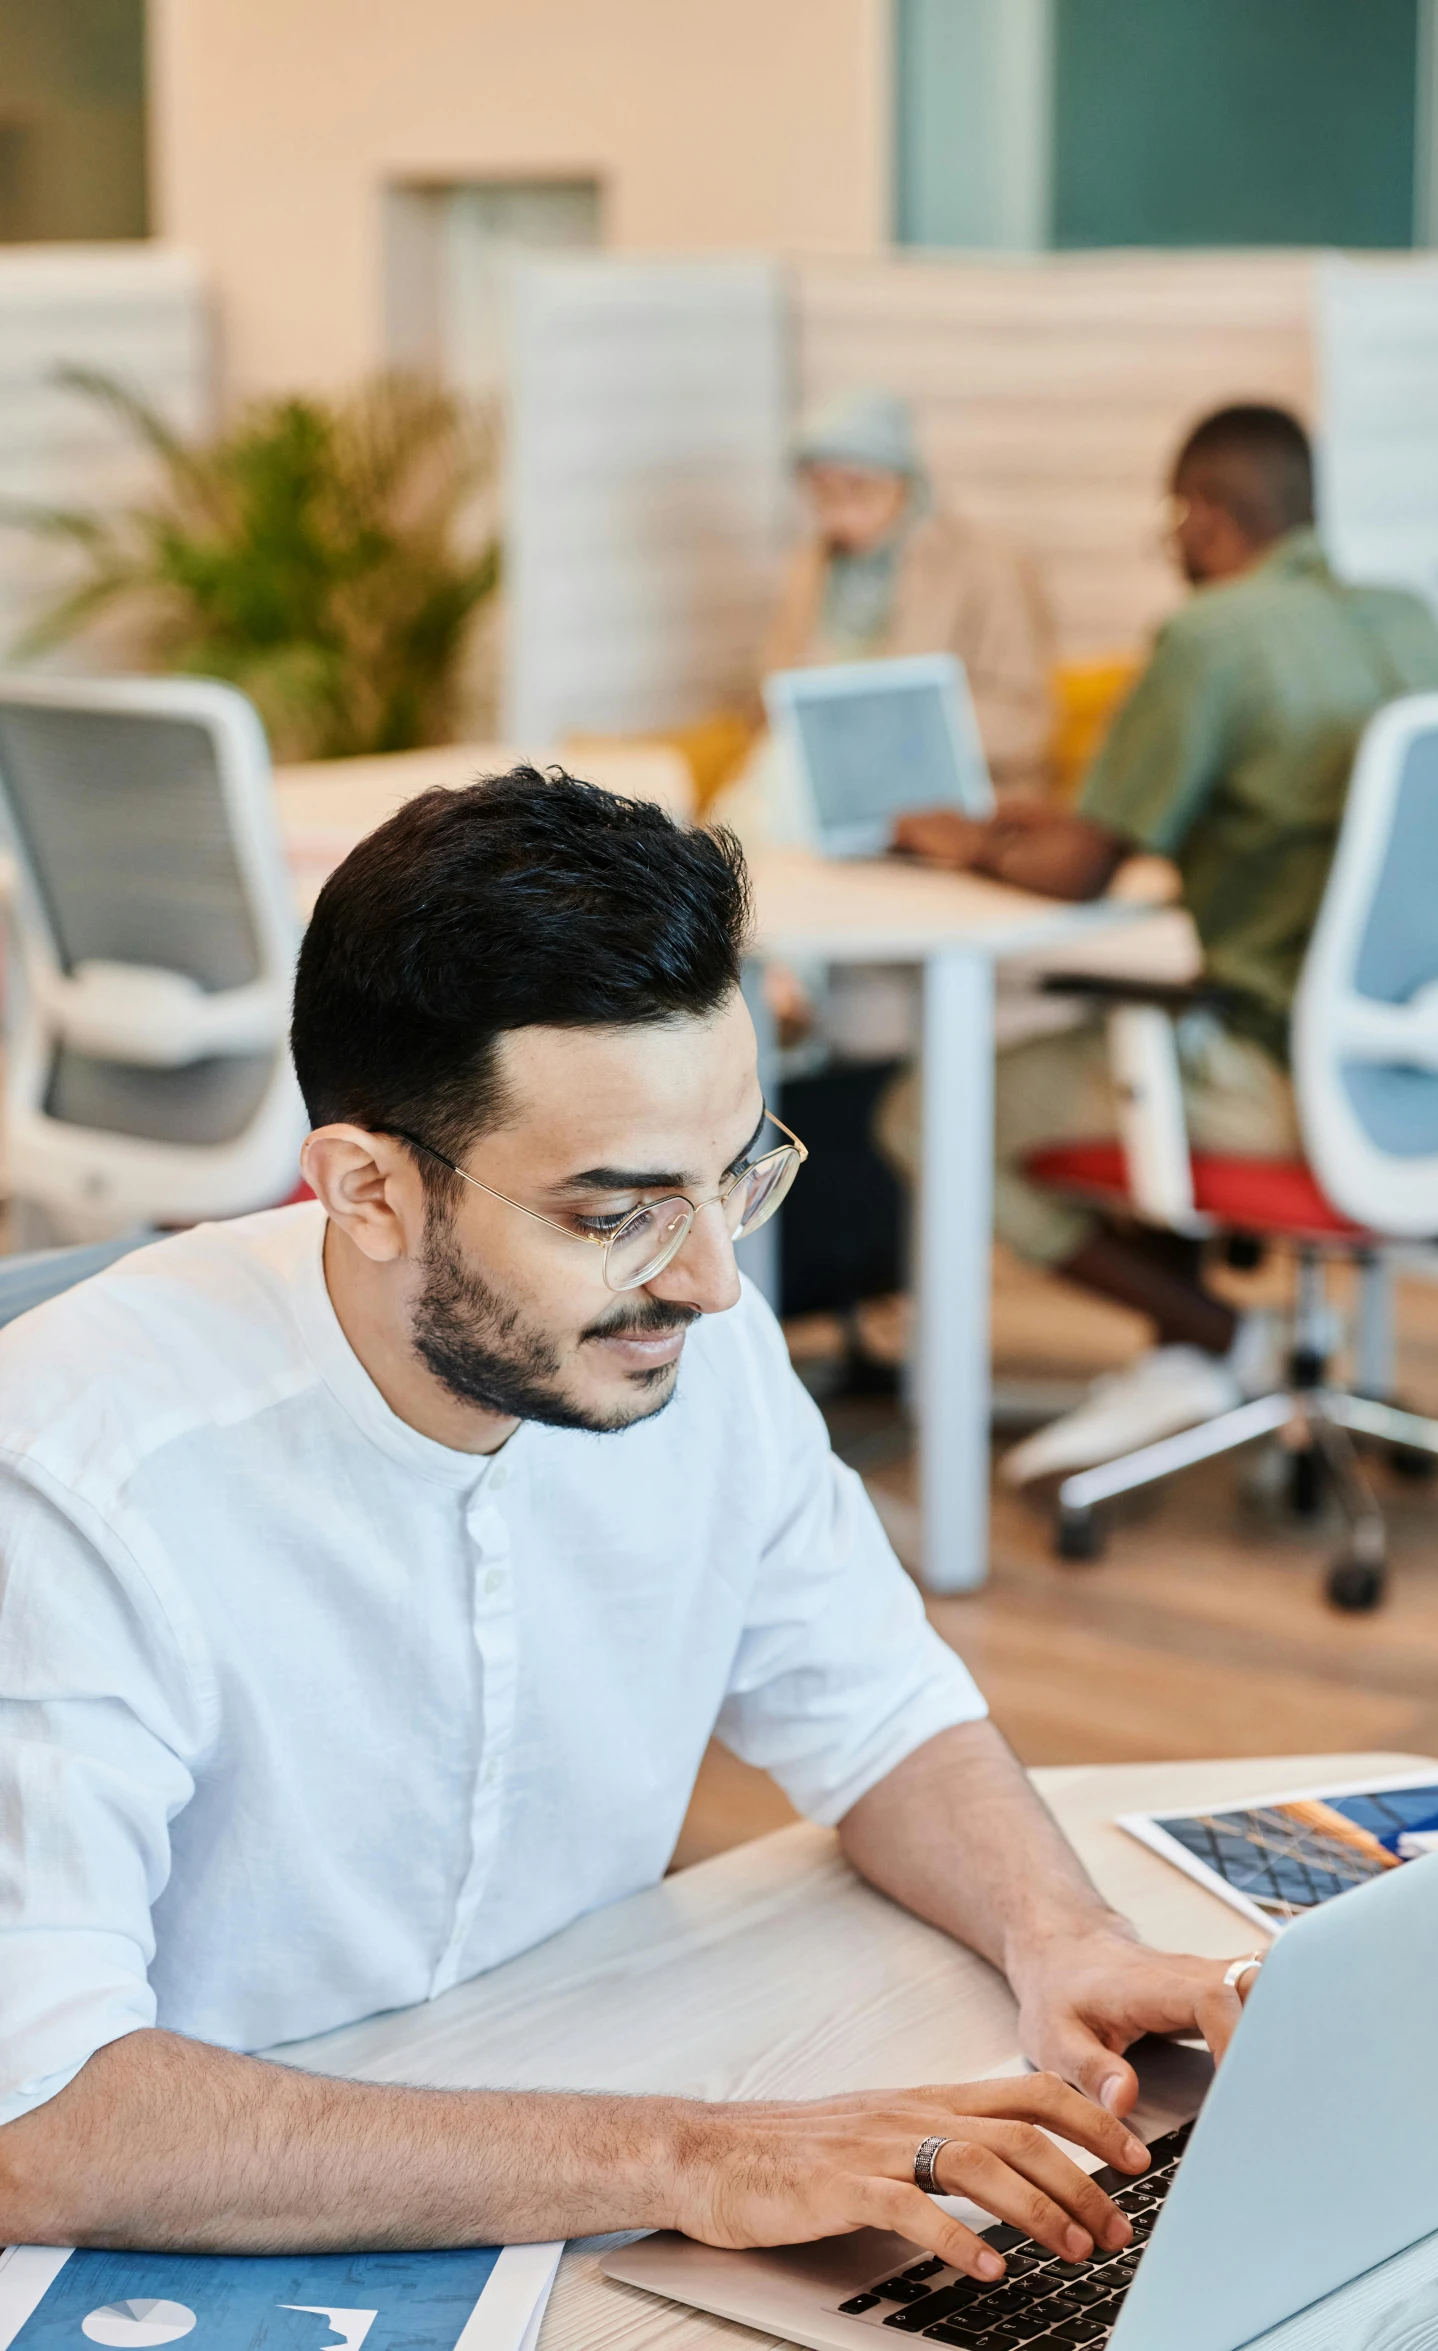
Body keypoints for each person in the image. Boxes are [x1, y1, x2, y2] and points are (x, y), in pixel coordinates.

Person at [0, 772, 1252, 2265]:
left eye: (732, 1179)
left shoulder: (680, 1342)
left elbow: (877, 1710)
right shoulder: (72, 1473)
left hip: (553, 2139)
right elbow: (41, 2118)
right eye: (618, 1212)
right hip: (213, 2227)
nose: (714, 1281)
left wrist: (1065, 1937)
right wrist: (686, 2152)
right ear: (365, 1189)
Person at [884, 405, 1438, 1479]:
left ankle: (1213, 1339)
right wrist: (1040, 827)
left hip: (1280, 1075)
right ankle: (1195, 1356)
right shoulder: (1409, 621)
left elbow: (1081, 872)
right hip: (1433, 1063)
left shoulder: (1212, 638)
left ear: (1199, 515)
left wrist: (963, 841)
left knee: (927, 1109)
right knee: (1136, 1035)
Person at [763, 388, 1052, 790]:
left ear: (905, 483)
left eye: (858, 489)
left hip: (959, 796)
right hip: (834, 789)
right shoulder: (809, 568)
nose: (840, 512)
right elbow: (776, 696)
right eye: (822, 493)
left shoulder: (987, 564)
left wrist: (894, 733)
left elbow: (1026, 723)